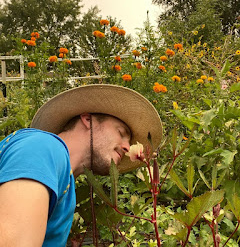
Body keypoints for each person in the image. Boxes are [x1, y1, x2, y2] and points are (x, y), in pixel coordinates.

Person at [0, 84, 162, 246]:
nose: (127, 148)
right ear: (88, 119)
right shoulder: (44, 149)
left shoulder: (64, 183)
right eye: (120, 133)